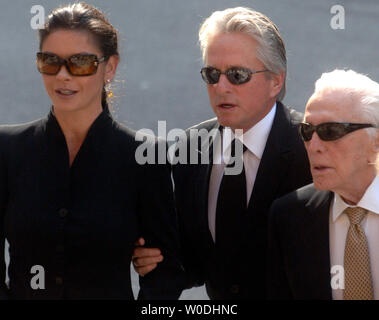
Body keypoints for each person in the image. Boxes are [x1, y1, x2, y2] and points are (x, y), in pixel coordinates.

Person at [0, 2, 184, 300]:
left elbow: (165, 274)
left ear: (109, 67)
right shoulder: (7, 150)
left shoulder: (145, 157)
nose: (63, 75)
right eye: (50, 61)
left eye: (80, 62)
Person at [133, 7, 312, 299]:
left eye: (237, 75)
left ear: (275, 81)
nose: (221, 87)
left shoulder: (312, 148)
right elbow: (196, 261)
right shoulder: (191, 147)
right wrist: (156, 257)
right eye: (212, 74)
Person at [267, 69, 379, 300]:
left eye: (330, 131)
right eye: (307, 131)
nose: (313, 145)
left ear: (376, 142)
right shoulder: (289, 216)